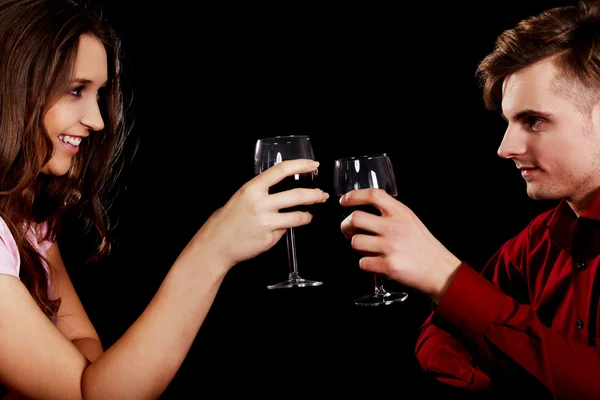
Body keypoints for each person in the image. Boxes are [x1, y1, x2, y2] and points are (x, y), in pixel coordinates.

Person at [0, 0, 328, 398]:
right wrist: (213, 249)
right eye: (75, 90)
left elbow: (87, 349)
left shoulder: (28, 218)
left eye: (99, 93)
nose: (97, 120)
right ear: (12, 88)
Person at [339, 0, 600, 398]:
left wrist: (444, 276)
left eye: (534, 121)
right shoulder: (541, 239)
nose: (505, 147)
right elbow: (439, 335)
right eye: (509, 122)